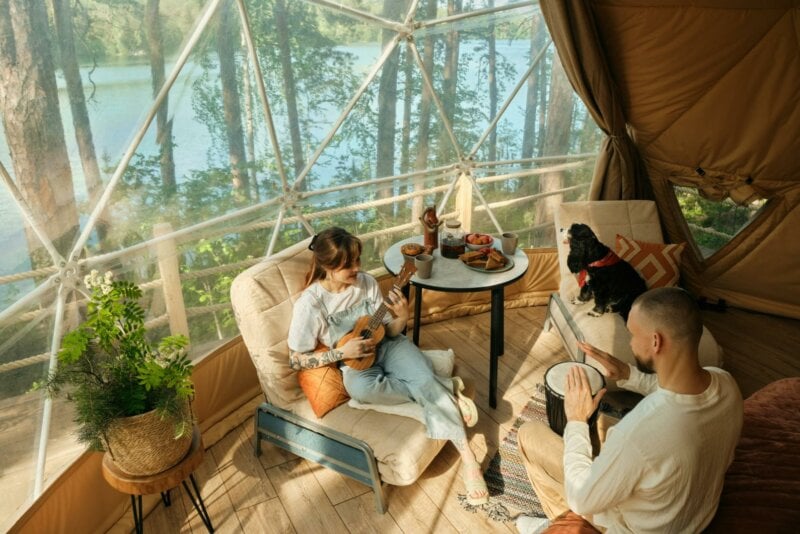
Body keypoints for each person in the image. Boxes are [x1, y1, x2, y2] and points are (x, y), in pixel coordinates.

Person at [286, 227, 489, 505]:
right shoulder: (310, 304)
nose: (357, 268)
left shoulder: (366, 283)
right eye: (348, 265)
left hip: (391, 347)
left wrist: (402, 317)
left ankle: (469, 459)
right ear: (326, 266)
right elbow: (295, 359)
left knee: (420, 378)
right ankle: (443, 388)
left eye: (357, 260)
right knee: (363, 391)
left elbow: (388, 332)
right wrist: (340, 352)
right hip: (356, 365)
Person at [516, 287, 743, 534]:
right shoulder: (726, 383)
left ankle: (556, 523)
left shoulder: (642, 429)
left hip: (628, 527)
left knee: (529, 433)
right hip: (691, 517)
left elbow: (582, 497)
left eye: (633, 335)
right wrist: (628, 374)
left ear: (656, 341)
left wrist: (577, 421)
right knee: (607, 431)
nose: (631, 342)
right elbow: (675, 391)